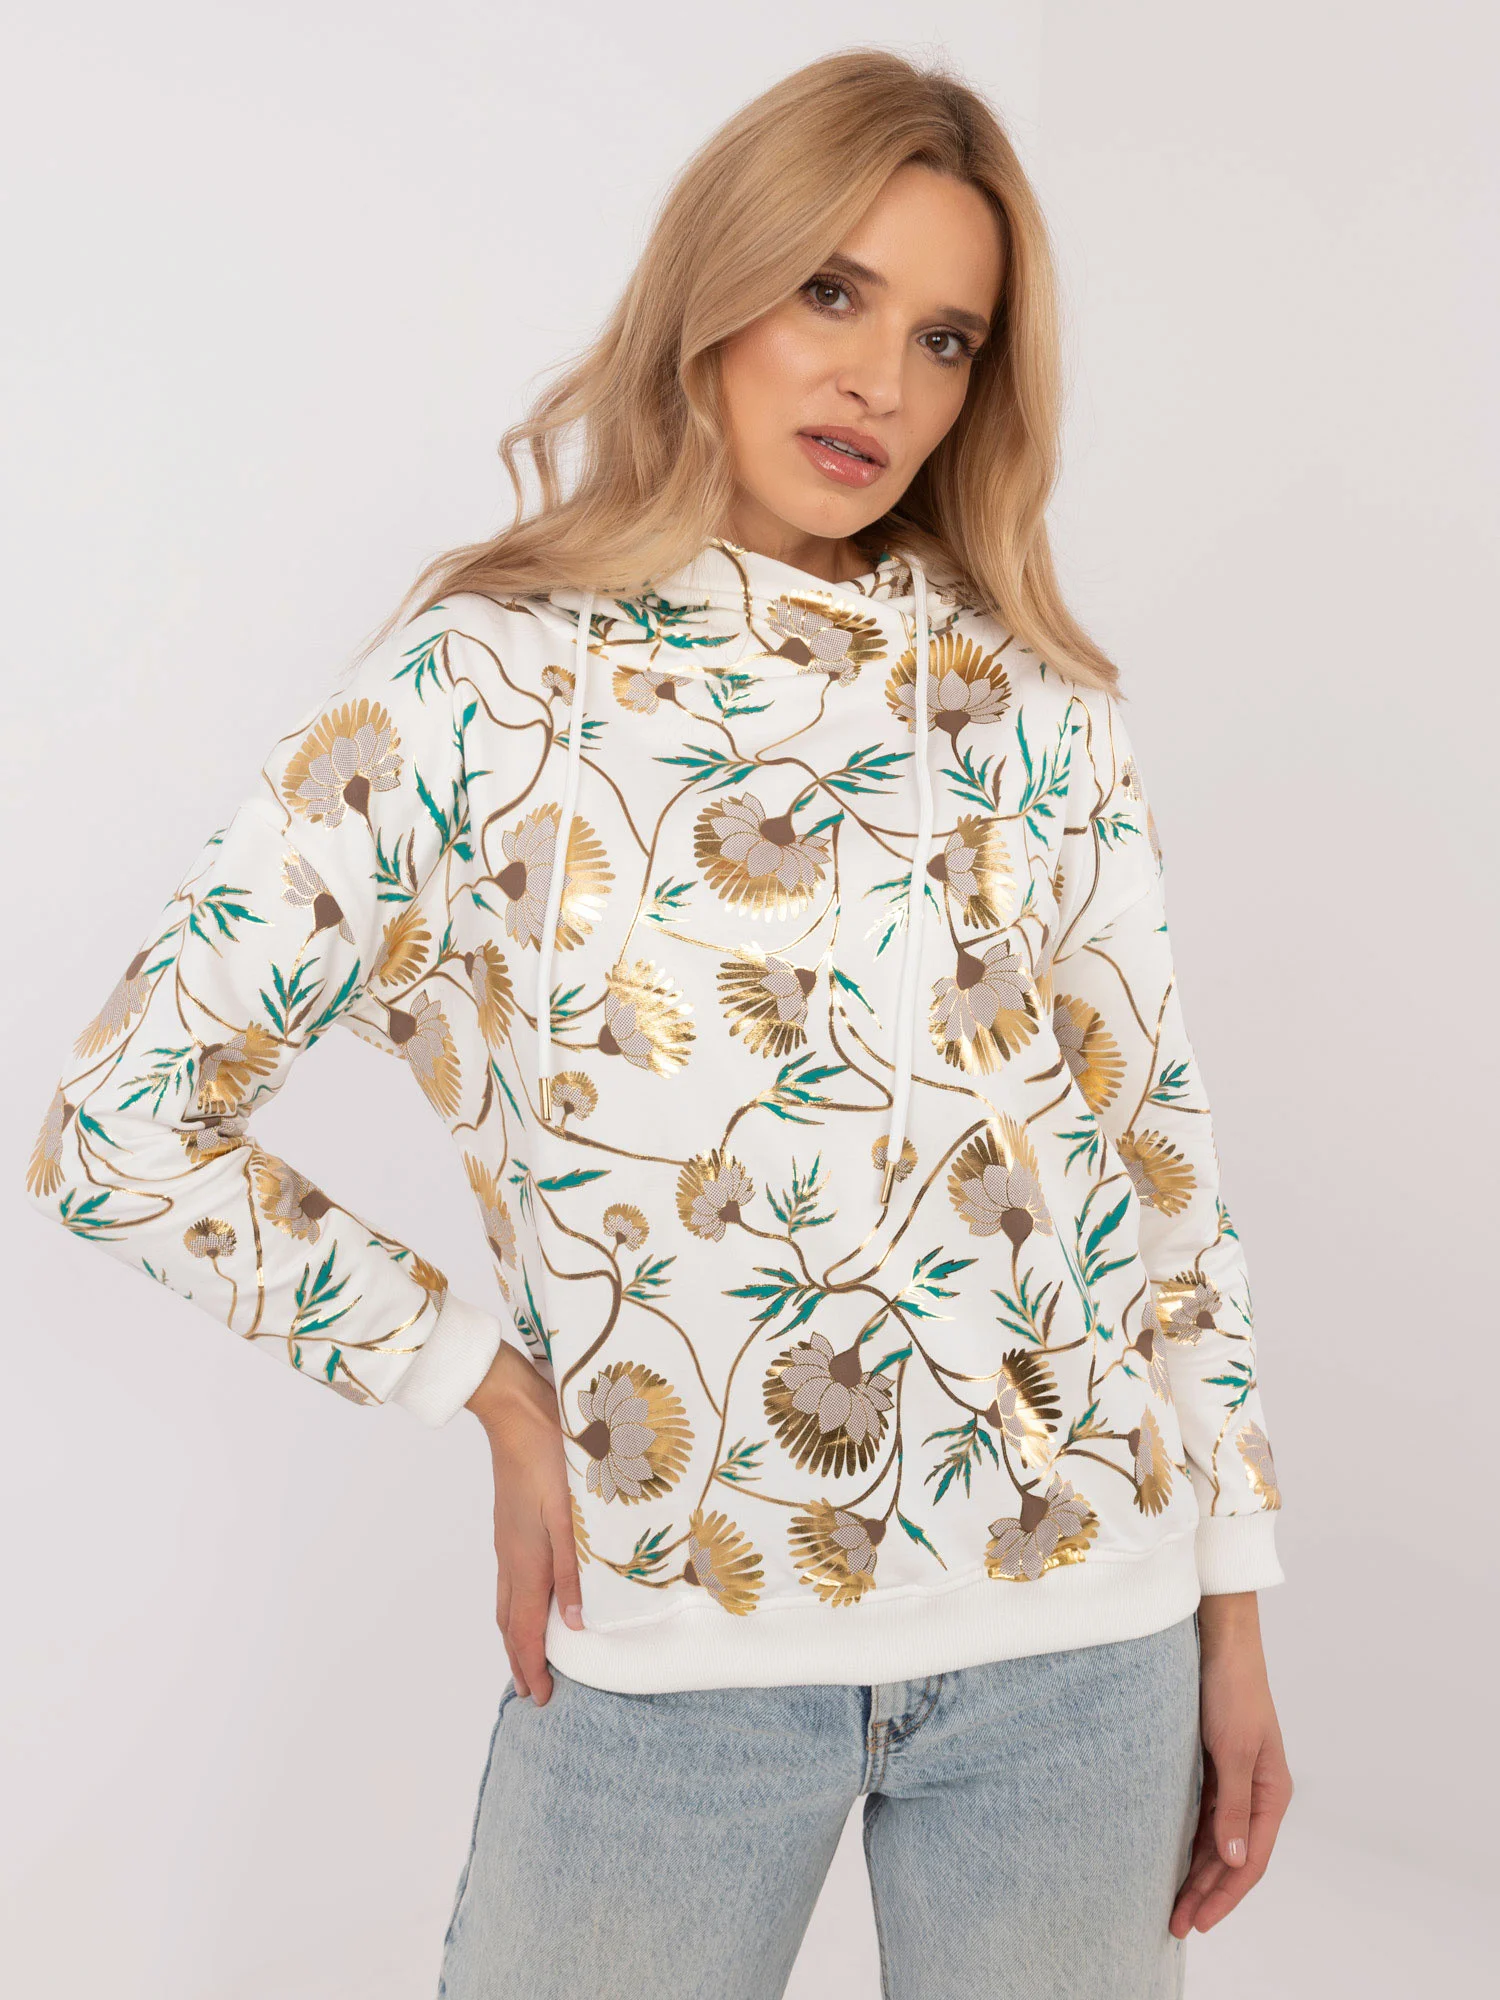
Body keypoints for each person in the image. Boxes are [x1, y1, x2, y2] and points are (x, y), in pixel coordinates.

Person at [23, 46, 1292, 2000]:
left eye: (945, 338)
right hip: (670, 1660)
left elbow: (1157, 1166)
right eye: (832, 291)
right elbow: (121, 1124)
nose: (881, 382)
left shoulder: (1035, 703)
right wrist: (474, 1378)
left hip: (1082, 1655)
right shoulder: (481, 688)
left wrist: (1234, 1612)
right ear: (720, 282)